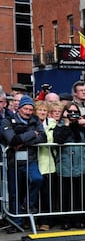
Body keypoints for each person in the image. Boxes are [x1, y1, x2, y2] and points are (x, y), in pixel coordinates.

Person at [0, 95, 45, 226]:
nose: (28, 112)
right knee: (15, 192)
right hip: (13, 161)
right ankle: (17, 222)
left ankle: (27, 205)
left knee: (37, 179)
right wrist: (32, 134)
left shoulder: (35, 120)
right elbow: (12, 140)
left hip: (30, 159)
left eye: (31, 110)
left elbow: (43, 137)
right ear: (19, 108)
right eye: (25, 109)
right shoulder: (7, 121)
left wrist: (22, 141)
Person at [53, 101, 85, 229]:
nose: (73, 114)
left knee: (80, 194)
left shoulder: (83, 124)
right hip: (65, 165)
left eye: (75, 112)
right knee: (65, 194)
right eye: (70, 112)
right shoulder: (61, 125)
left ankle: (78, 219)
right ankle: (66, 220)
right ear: (65, 113)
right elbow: (59, 140)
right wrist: (67, 124)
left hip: (82, 165)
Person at [34, 100, 58, 230]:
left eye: (44, 110)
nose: (42, 112)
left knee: (47, 194)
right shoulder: (31, 124)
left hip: (48, 163)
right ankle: (35, 219)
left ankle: (46, 221)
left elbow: (49, 139)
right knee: (35, 194)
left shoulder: (52, 123)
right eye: (40, 110)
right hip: (34, 162)